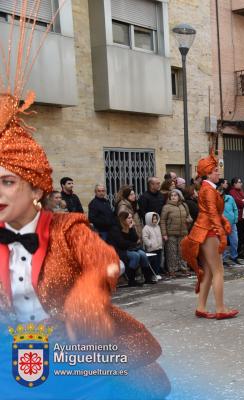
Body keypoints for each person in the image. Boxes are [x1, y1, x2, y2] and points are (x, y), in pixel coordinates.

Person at [0, 15, 169, 397]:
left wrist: (89, 291)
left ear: (36, 189)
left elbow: (106, 260)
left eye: (8, 182)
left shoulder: (66, 228)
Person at [181, 151, 238, 320]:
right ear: (207, 173)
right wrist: (222, 234)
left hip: (205, 230)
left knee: (208, 271)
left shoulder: (207, 189)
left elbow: (211, 212)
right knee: (218, 271)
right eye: (215, 171)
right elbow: (212, 213)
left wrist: (223, 221)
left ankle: (201, 307)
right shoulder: (208, 190)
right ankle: (221, 308)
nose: (218, 173)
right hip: (209, 231)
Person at [108, 211, 156, 286]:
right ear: (123, 219)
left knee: (143, 254)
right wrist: (132, 242)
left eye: (131, 218)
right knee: (135, 256)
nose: (131, 220)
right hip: (118, 250)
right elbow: (121, 243)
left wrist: (131, 229)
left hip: (129, 248)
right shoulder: (116, 228)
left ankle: (147, 278)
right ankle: (131, 280)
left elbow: (136, 239)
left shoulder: (130, 227)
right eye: (129, 218)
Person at [160, 189, 192, 278]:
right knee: (171, 252)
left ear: (179, 196)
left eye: (175, 195)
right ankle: (172, 270)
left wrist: (189, 220)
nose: (173, 197)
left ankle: (183, 268)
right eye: (172, 196)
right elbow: (162, 221)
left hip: (183, 232)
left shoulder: (184, 205)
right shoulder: (166, 207)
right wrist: (164, 234)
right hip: (171, 233)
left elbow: (189, 216)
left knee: (183, 252)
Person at [229, 177, 244, 259]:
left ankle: (240, 252)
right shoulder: (232, 192)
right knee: (238, 236)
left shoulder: (240, 191)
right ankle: (237, 253)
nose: (241, 183)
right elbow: (239, 202)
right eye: (239, 182)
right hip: (238, 217)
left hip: (243, 217)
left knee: (242, 235)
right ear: (234, 184)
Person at [222, 183, 244, 265]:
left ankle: (234, 256)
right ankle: (223, 259)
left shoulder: (230, 198)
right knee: (223, 242)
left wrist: (235, 218)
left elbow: (235, 208)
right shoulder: (217, 200)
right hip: (222, 224)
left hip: (232, 224)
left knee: (235, 240)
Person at [142, 212, 166, 278]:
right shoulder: (146, 228)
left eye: (156, 219)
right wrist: (149, 244)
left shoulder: (157, 226)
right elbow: (145, 237)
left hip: (159, 247)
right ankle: (152, 274)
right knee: (153, 262)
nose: (155, 220)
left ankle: (156, 273)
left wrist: (161, 243)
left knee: (158, 261)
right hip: (152, 248)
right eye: (153, 219)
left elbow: (159, 235)